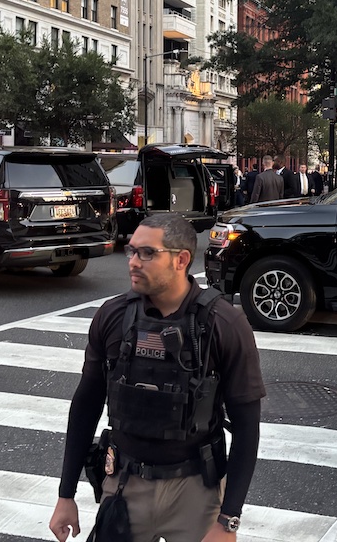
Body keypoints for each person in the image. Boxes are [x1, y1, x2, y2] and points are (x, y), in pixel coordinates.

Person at [49, 213, 265, 542]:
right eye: (132, 251)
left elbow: (247, 427)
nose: (134, 261)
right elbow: (86, 404)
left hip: (196, 491)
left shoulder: (224, 324)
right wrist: (66, 495)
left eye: (148, 253)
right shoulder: (113, 316)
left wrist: (228, 520)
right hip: (125, 484)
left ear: (181, 260)